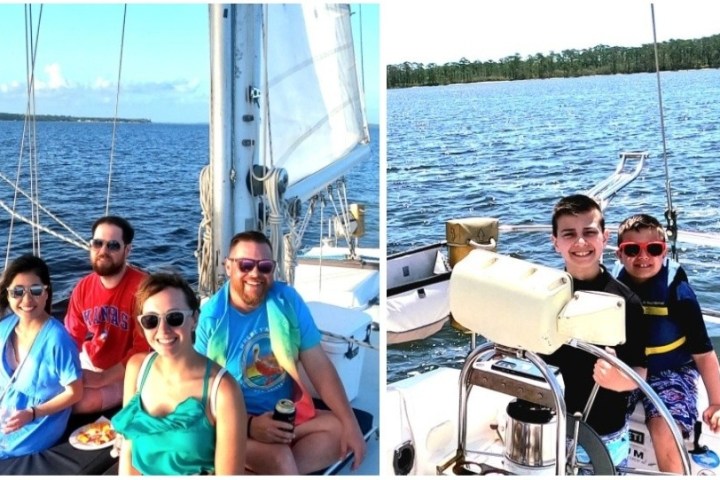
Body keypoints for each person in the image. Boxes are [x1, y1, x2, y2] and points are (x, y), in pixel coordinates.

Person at [195, 231, 366, 474]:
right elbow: (199, 392)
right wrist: (251, 426)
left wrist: (351, 425)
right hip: (234, 422)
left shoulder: (287, 301)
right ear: (229, 267)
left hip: (283, 416)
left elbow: (319, 366)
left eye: (264, 266)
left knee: (341, 429)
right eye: (245, 265)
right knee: (279, 456)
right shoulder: (212, 317)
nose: (255, 273)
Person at [543, 194, 648, 471]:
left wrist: (619, 379)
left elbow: (640, 372)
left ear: (605, 237)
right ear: (555, 242)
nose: (580, 242)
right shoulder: (540, 295)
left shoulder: (627, 302)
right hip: (552, 426)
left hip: (605, 433)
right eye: (569, 234)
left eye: (589, 232)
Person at [112, 272, 246, 475]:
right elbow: (129, 452)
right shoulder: (136, 369)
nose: (163, 330)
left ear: (194, 319)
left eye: (174, 318)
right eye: (151, 320)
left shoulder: (223, 390)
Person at [616, 213, 720, 473]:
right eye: (632, 249)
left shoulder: (680, 295)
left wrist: (717, 402)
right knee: (596, 419)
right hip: (625, 369)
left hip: (671, 372)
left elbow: (705, 355)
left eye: (653, 249)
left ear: (664, 253)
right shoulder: (612, 287)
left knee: (665, 430)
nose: (643, 257)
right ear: (619, 254)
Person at [64, 216, 150, 413]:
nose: (103, 251)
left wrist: (102, 379)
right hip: (91, 359)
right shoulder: (83, 287)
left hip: (127, 372)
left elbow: (142, 351)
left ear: (127, 250)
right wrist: (68, 372)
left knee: (78, 403)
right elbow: (71, 338)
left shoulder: (143, 290)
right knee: (49, 390)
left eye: (113, 245)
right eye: (97, 243)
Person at [0, 254, 83, 458]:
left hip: (36, 424)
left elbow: (75, 392)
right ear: (8, 295)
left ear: (46, 293)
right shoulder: (4, 328)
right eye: (18, 291)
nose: (27, 300)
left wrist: (33, 412)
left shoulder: (57, 340)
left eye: (35, 290)